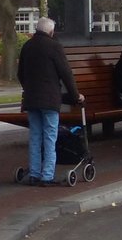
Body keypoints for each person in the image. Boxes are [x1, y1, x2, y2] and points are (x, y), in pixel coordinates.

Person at [18, 16, 84, 186]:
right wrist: (76, 96)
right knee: (50, 137)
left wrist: (29, 88)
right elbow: (66, 73)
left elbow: (20, 73)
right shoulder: (54, 46)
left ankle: (34, 173)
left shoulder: (27, 46)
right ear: (51, 31)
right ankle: (47, 176)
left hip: (31, 99)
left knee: (35, 136)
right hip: (49, 100)